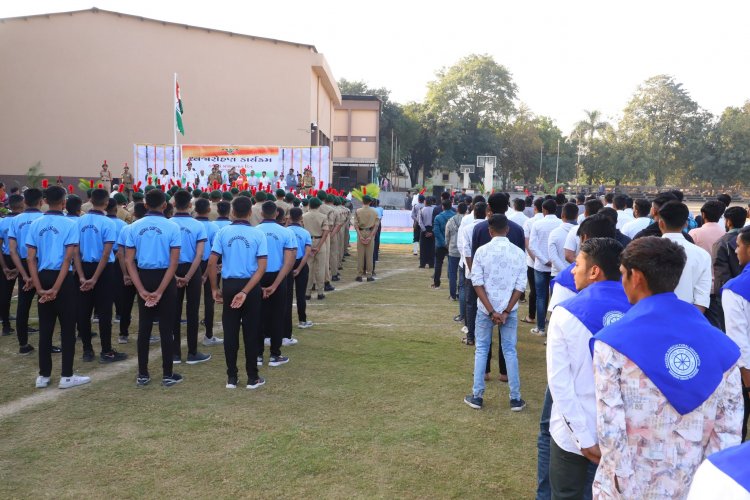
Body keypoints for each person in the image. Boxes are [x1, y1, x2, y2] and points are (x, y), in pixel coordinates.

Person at [591, 236, 743, 499]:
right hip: (694, 483)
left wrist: (622, 486)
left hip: (628, 484)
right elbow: (727, 432)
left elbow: (610, 427)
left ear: (636, 277)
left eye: (623, 274)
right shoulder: (723, 348)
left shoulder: (612, 343)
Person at [546, 237, 630, 499]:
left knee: (566, 493)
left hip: (572, 431)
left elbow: (559, 384)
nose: (572, 270)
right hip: (622, 432)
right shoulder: (639, 310)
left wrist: (583, 437)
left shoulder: (565, 312)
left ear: (594, 271)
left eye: (578, 264)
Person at [25, 185, 91, 389]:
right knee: (67, 328)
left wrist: (39, 288)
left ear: (44, 201)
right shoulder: (70, 224)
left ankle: (43, 376)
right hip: (61, 279)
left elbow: (31, 259)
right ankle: (67, 376)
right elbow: (67, 259)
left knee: (46, 327)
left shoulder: (36, 224)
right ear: (63, 202)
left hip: (42, 276)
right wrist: (56, 288)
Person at [464, 214, 527, 411]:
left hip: (486, 309)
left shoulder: (482, 252)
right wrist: (506, 310)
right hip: (509, 309)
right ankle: (515, 398)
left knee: (482, 349)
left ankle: (477, 395)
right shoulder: (518, 253)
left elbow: (477, 282)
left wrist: (491, 310)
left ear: (490, 231)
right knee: (510, 351)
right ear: (507, 230)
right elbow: (520, 285)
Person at [125, 188, 183, 387]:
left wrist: (140, 288)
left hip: (143, 276)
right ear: (165, 205)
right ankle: (167, 374)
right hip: (165, 277)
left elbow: (129, 260)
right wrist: (160, 291)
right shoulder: (172, 227)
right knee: (166, 328)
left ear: (146, 205)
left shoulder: (134, 226)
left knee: (145, 327)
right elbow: (174, 262)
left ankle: (143, 374)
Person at [207, 196, 267, 389]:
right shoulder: (258, 234)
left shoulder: (223, 232)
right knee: (251, 332)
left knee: (230, 332)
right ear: (250, 213)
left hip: (230, 285)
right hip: (250, 285)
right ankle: (252, 377)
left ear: (232, 212)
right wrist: (246, 291)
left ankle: (231, 377)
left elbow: (211, 262)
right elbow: (261, 268)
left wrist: (214, 288)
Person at [75, 188, 127, 363]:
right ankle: (106, 350)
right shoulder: (108, 223)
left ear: (90, 201)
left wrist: (82, 276)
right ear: (106, 203)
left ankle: (87, 350)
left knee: (84, 310)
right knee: (104, 311)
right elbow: (106, 254)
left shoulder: (79, 221)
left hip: (83, 267)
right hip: (103, 271)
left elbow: (75, 252)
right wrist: (95, 278)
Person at [170, 190, 211, 365]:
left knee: (174, 312)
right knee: (192, 311)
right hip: (192, 269)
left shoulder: (168, 224)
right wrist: (188, 276)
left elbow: (167, 254)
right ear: (190, 205)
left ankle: (175, 353)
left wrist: (175, 275)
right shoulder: (197, 225)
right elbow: (199, 254)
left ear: (173, 205)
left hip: (172, 270)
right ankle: (192, 352)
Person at [256, 201, 296, 366]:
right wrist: (277, 282)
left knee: (257, 315)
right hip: (278, 276)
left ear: (262, 214)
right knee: (278, 315)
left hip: (258, 275)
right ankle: (274, 354)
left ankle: (257, 355)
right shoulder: (286, 232)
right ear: (277, 214)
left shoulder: (255, 231)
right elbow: (289, 260)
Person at [721, 225, 750, 441]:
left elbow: (738, 342)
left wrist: (748, 385)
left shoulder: (735, 289)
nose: (737, 251)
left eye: (739, 246)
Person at [8, 188, 45, 354]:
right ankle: (47, 344)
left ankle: (23, 344)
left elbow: (12, 250)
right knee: (46, 305)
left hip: (23, 263)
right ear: (41, 201)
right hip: (42, 264)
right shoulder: (44, 219)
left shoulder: (16, 220)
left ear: (24, 201)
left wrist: (23, 274)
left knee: (23, 305)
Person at [659, 201, 712, 312]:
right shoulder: (702, 255)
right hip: (687, 316)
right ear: (686, 224)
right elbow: (701, 300)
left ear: (661, 223)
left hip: (652, 317)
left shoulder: (646, 251)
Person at [116, 202, 147, 344]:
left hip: (129, 267)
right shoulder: (147, 229)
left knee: (126, 303)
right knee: (146, 302)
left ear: (134, 214)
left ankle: (123, 333)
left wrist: (125, 273)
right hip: (142, 267)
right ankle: (145, 333)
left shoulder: (126, 228)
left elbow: (121, 254)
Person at [528, 199, 561, 335]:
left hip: (542, 265)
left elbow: (532, 245)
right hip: (556, 265)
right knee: (555, 298)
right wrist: (552, 260)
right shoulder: (560, 224)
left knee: (541, 297)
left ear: (544, 210)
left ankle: (541, 328)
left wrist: (543, 260)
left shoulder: (538, 224)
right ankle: (553, 330)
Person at [193, 198, 223, 346]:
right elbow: (214, 252)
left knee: (185, 302)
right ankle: (209, 335)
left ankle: (175, 335)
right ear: (209, 210)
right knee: (209, 299)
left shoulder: (192, 225)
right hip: (207, 264)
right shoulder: (213, 227)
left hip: (187, 264)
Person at [459, 201, 487, 345]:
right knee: (486, 304)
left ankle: (471, 336)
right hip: (487, 273)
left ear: (474, 213)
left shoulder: (468, 228)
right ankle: (483, 336)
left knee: (471, 304)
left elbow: (466, 251)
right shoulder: (490, 227)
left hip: (472, 272)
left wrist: (472, 270)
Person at [0, 194, 23, 335]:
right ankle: (22, 325)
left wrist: (4, 266)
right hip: (21, 259)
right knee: (23, 294)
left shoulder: (2, 221)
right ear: (22, 206)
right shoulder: (22, 221)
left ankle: (6, 326)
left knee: (5, 293)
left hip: (6, 258)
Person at [286, 207, 313, 331]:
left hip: (287, 265)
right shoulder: (305, 232)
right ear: (301, 218)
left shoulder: (285, 231)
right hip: (300, 263)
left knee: (287, 295)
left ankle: (285, 322)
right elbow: (307, 253)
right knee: (300, 295)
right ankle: (302, 320)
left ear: (289, 217)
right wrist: (299, 268)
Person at [303, 197, 330, 299]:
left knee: (308, 268)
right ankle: (320, 292)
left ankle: (307, 292)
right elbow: (326, 232)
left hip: (308, 242)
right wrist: (319, 246)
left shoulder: (304, 216)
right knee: (321, 268)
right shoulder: (323, 216)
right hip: (320, 241)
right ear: (319, 205)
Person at [353, 195, 380, 282]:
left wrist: (360, 235)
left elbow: (356, 225)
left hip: (360, 232)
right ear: (370, 202)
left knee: (360, 255)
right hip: (370, 232)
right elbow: (376, 226)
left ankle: (359, 275)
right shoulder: (375, 211)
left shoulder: (358, 211)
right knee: (369, 256)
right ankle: (369, 275)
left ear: (362, 201)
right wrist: (371, 236)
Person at [548, 202, 577, 279]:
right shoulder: (582, 232)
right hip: (577, 274)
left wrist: (565, 272)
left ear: (562, 215)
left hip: (558, 274)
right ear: (577, 216)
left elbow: (553, 256)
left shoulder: (554, 233)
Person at [445, 202, 466, 304]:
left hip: (453, 249)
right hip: (464, 251)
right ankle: (460, 293)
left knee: (452, 273)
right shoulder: (468, 220)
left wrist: (448, 245)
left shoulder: (451, 220)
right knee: (463, 273)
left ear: (457, 210)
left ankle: (453, 295)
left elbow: (447, 235)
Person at [432, 199, 455, 290]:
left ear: (442, 206)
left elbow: (436, 232)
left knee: (438, 264)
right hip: (452, 243)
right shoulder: (455, 217)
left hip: (440, 244)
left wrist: (444, 242)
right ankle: (452, 283)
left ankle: (436, 283)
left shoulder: (438, 217)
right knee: (452, 264)